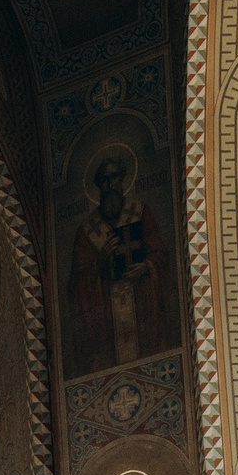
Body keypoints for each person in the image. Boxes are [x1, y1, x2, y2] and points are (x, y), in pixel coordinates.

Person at [67, 153, 170, 373]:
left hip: (142, 313)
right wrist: (99, 263)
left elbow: (160, 255)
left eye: (114, 177)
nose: (110, 184)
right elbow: (76, 285)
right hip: (107, 331)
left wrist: (146, 267)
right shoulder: (87, 231)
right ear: (98, 186)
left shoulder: (140, 213)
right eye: (104, 180)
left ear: (122, 179)